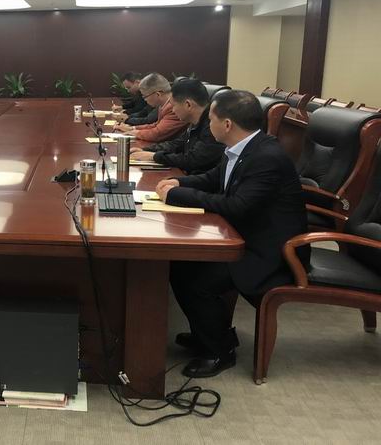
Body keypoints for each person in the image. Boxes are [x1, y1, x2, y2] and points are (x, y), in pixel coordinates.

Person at [155, 90, 309, 378]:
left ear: (227, 124)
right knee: (180, 265)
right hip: (246, 237)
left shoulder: (266, 157)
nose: (207, 124)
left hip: (272, 252)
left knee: (199, 281)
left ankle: (219, 352)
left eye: (211, 119)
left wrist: (178, 195)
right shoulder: (242, 147)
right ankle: (208, 335)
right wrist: (177, 182)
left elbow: (238, 206)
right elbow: (214, 179)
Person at [131, 78, 224, 175]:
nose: (173, 110)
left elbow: (193, 160)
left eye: (173, 105)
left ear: (188, 105)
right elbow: (176, 144)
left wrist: (154, 157)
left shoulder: (212, 126)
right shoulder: (194, 122)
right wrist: (146, 150)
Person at [113, 73, 186, 142]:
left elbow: (157, 134)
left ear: (158, 94)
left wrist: (136, 133)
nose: (145, 100)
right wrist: (132, 128)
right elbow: (156, 125)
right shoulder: (164, 104)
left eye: (145, 96)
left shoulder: (174, 107)